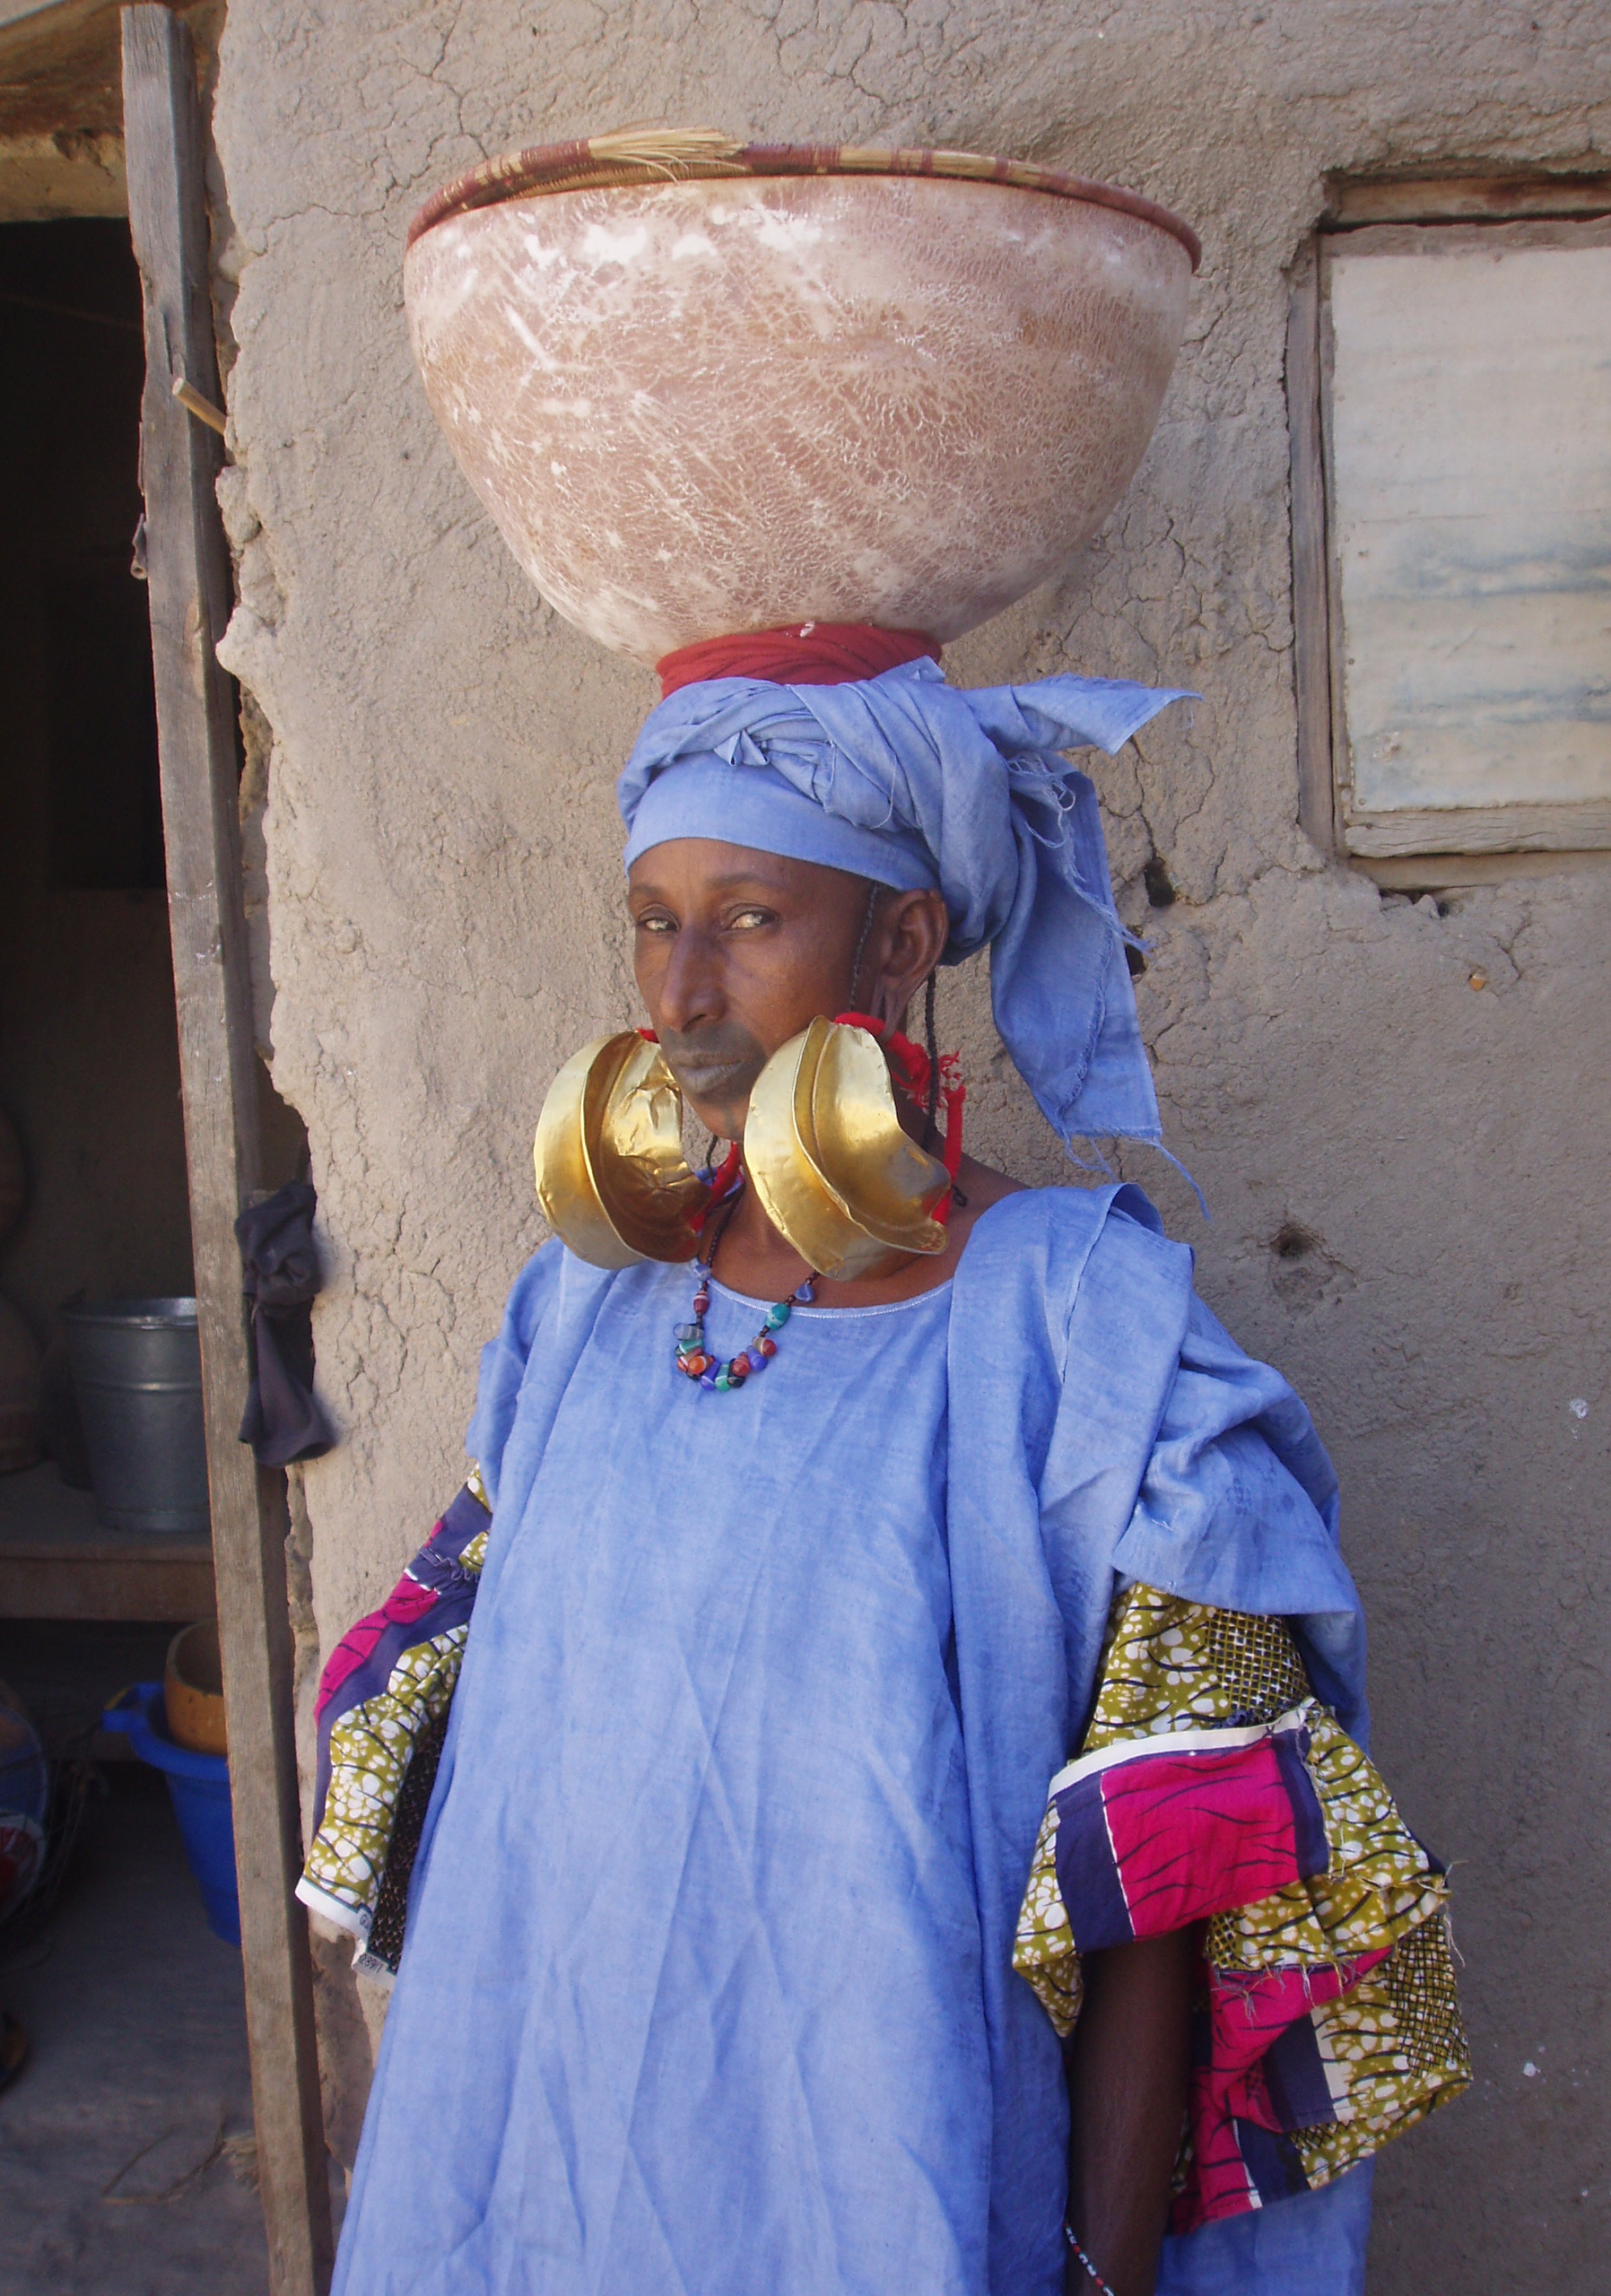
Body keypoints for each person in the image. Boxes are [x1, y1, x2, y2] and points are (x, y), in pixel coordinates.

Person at [301, 627, 1467, 2296]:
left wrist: (1102, 2264)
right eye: (656, 921)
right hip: (537, 2149)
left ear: (906, 937)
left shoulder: (1078, 1327)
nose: (683, 992)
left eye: (752, 920)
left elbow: (1178, 1864)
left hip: (879, 2174)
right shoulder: (590, 1307)